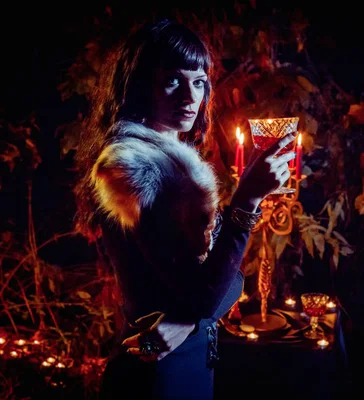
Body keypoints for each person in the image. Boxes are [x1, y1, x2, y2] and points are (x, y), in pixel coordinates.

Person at [72, 18, 296, 399]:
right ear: (142, 84)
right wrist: (247, 201)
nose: (191, 96)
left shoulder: (175, 163)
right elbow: (208, 296)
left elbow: (224, 282)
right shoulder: (131, 168)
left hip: (185, 361)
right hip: (156, 375)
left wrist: (185, 321)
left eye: (198, 81)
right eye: (173, 80)